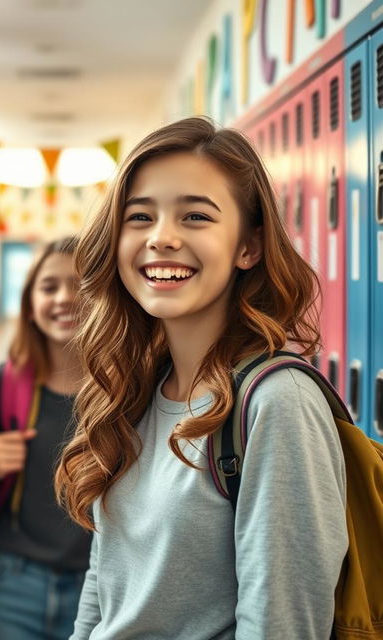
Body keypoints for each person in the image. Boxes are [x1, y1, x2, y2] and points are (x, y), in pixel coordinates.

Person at [55, 117, 348, 639]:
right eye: (139, 217)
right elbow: (106, 580)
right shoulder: (136, 388)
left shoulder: (276, 401)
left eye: (195, 216)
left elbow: (281, 626)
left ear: (248, 247)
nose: (162, 238)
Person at [0, 236, 91, 640]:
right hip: (13, 582)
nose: (65, 298)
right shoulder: (4, 384)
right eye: (49, 287)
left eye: (81, 285)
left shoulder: (125, 393)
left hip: (98, 584)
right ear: (29, 302)